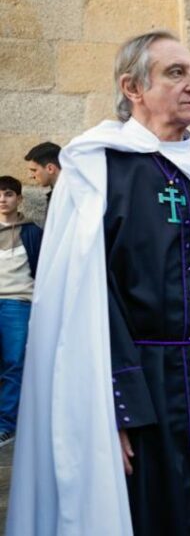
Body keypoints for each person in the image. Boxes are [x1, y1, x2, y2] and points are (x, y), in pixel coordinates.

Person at [6, 30, 190, 535]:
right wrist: (113, 407)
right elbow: (84, 300)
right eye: (177, 73)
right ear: (132, 86)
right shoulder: (97, 167)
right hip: (140, 382)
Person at [0, 176, 41, 448]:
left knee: (14, 363)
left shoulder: (32, 232)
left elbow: (41, 269)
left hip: (18, 303)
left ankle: (5, 425)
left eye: (8, 194)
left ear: (20, 199)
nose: (3, 199)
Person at [23, 141, 60, 212]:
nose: (30, 176)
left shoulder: (71, 195)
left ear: (50, 168)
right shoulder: (58, 193)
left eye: (34, 170)